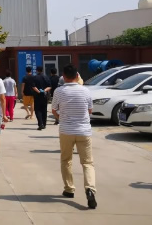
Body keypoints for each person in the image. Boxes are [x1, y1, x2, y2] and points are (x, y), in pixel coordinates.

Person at [52, 64, 97, 209]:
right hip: (84, 131)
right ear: (77, 76)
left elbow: (54, 110)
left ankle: (69, 189)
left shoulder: (59, 91)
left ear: (64, 77)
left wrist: (62, 118)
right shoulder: (86, 91)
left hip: (66, 131)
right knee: (87, 163)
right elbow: (90, 110)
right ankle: (90, 189)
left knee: (66, 160)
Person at [32, 66, 51, 130]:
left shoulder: (35, 77)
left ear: (37, 70)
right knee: (44, 110)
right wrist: (44, 91)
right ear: (42, 70)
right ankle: (44, 124)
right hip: (44, 96)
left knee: (38, 110)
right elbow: (49, 86)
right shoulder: (46, 77)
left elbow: (33, 86)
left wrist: (39, 92)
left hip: (37, 96)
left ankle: (40, 124)